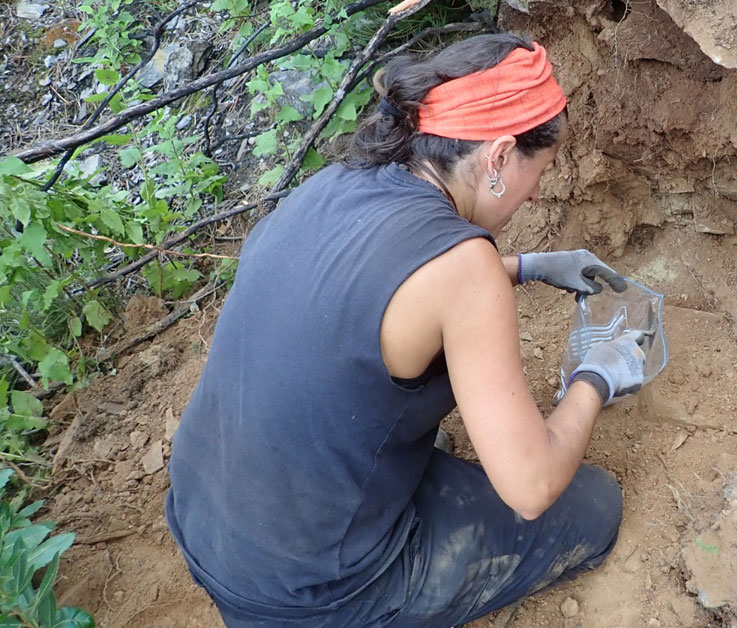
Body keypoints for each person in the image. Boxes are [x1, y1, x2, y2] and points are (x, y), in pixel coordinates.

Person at [165, 34, 648, 628]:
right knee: (593, 508)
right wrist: (598, 374)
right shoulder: (464, 271)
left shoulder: (335, 184)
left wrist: (529, 266)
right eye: (540, 169)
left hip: (208, 520)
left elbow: (376, 292)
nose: (539, 191)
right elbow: (532, 483)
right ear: (497, 157)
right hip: (309, 592)